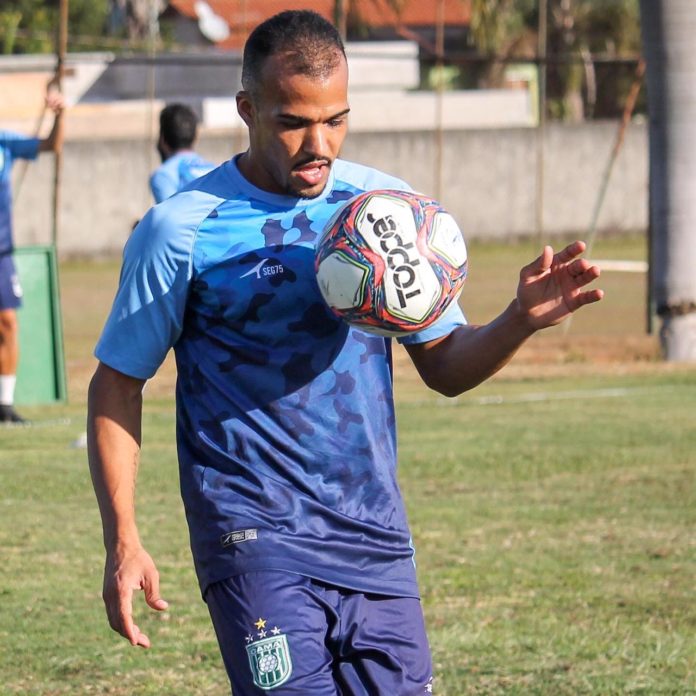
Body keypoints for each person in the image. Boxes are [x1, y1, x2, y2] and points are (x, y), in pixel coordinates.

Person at [87, 10, 603, 695]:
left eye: (335, 120)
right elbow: (117, 382)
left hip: (374, 536)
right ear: (247, 109)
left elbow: (445, 365)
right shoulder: (181, 229)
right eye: (294, 122)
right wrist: (123, 539)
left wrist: (518, 320)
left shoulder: (382, 212)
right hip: (253, 535)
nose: (318, 144)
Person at [0, 86, 64, 424]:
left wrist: (59, 115)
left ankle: (4, 404)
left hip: (1, 251)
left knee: (8, 323)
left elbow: (50, 145)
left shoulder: (4, 142)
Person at [149, 102, 215, 203]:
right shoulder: (214, 170)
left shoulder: (163, 175)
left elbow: (169, 216)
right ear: (196, 138)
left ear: (162, 140)